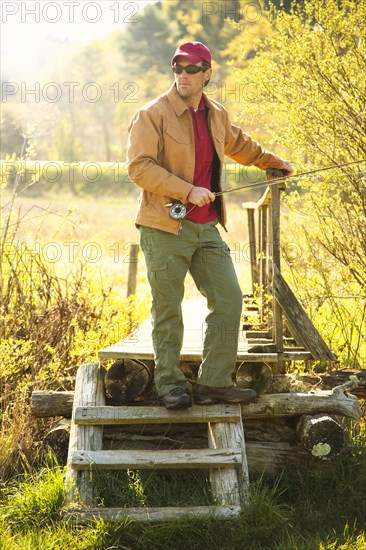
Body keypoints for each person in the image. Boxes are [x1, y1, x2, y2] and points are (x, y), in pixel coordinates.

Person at [127, 41, 293, 410]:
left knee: (230, 298)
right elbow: (139, 167)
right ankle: (169, 385)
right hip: (163, 227)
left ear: (207, 73)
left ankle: (213, 382)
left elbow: (242, 145)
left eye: (191, 69)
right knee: (168, 308)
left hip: (207, 226)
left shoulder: (216, 114)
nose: (183, 75)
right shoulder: (151, 114)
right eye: (177, 68)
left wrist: (275, 162)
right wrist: (186, 191)